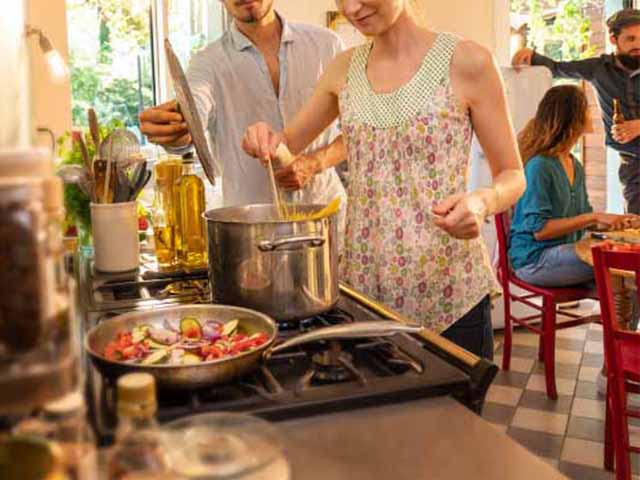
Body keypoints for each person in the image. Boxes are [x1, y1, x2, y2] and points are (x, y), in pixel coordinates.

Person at [242, 0, 526, 359]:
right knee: (372, 415)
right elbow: (287, 145)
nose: (352, 7)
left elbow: (513, 174)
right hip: (364, 297)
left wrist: (481, 200)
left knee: (455, 416)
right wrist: (264, 138)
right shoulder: (343, 69)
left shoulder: (468, 62)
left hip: (449, 292)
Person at [138, 0, 347, 229]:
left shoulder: (327, 45)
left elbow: (361, 129)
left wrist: (315, 162)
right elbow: (193, 112)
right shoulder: (206, 64)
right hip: (251, 233)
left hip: (328, 221)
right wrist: (176, 130)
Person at [512, 8, 640, 213]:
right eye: (631, 39)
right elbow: (557, 67)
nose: (637, 45)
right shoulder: (598, 69)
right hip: (633, 164)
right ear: (614, 39)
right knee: (635, 223)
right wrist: (531, 56)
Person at [510, 85, 638, 288]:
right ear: (573, 117)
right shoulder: (539, 166)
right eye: (587, 108)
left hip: (566, 251)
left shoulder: (574, 164)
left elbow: (581, 221)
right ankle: (618, 320)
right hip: (535, 260)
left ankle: (619, 321)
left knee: (627, 265)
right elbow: (540, 231)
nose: (591, 112)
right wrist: (595, 216)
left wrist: (618, 222)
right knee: (620, 266)